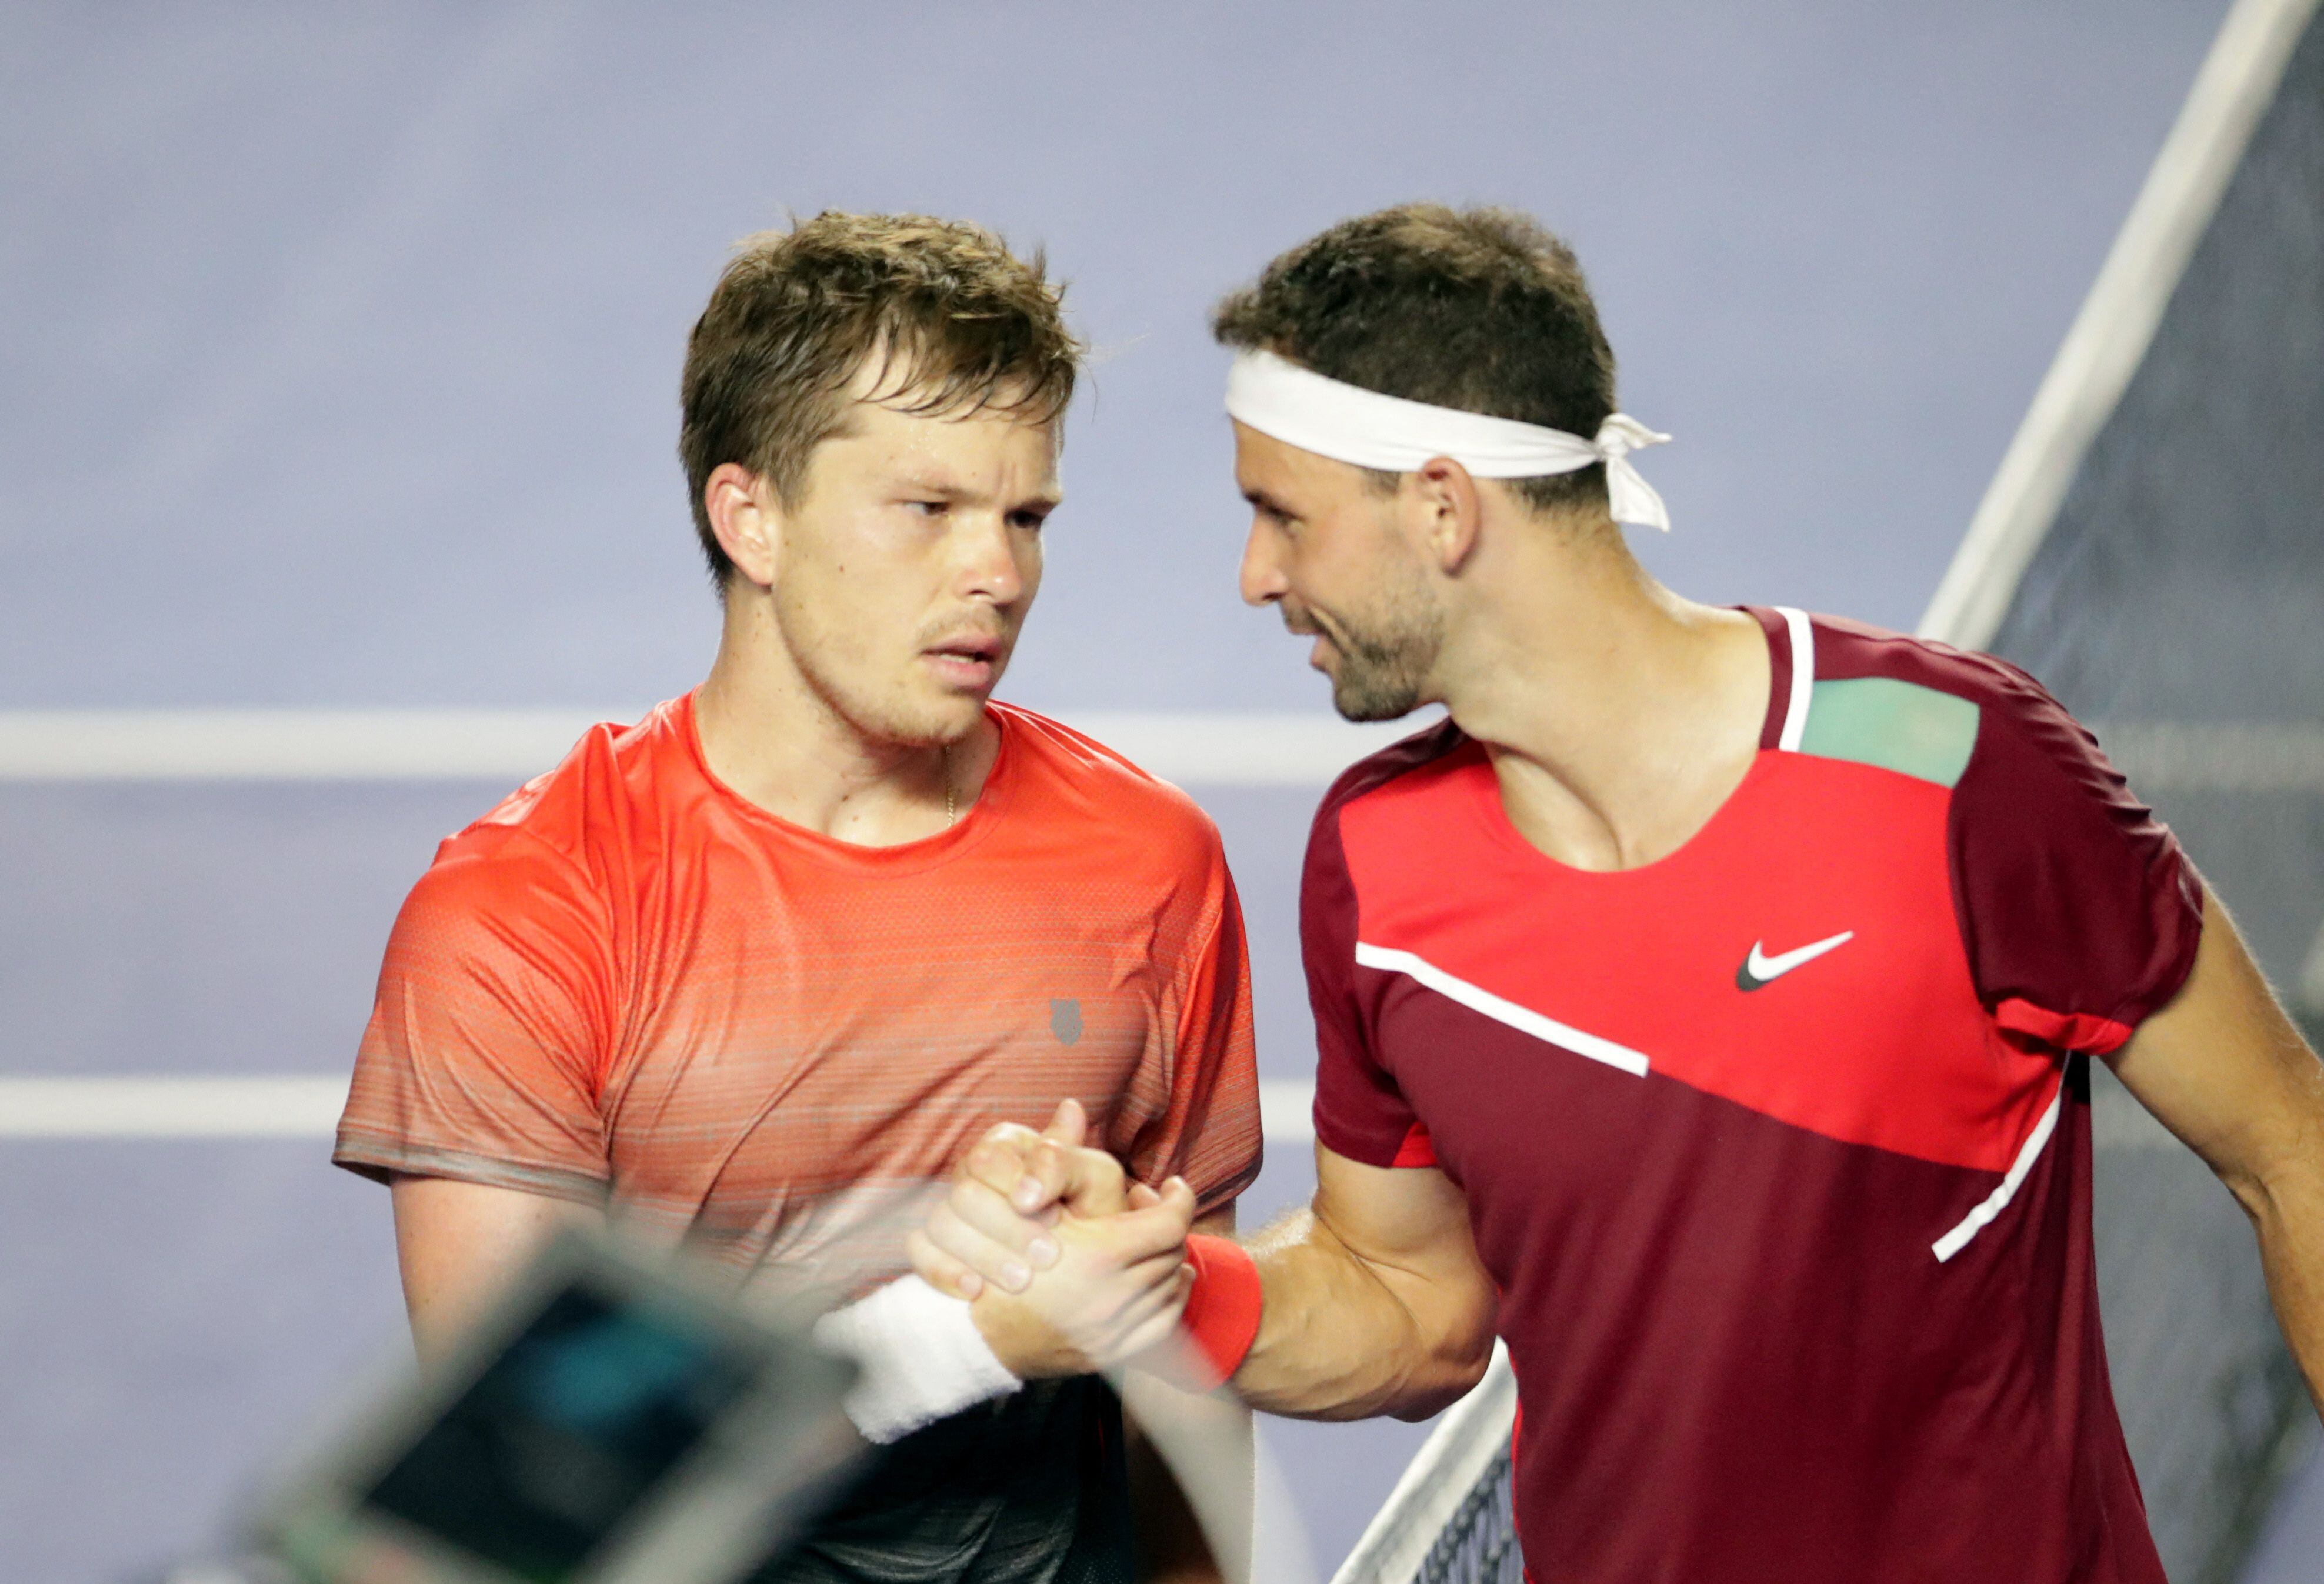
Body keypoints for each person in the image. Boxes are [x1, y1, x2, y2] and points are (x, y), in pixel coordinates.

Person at [908, 203, 2324, 1583]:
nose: (1252, 576)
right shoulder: (1376, 866)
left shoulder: (1951, 766)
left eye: (1281, 517)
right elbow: (1408, 1307)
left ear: (1442, 508)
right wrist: (1152, 1287)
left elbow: (2289, 1146)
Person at [332, 211, 1261, 1584]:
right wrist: (977, 1335)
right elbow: (525, 1490)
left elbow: (1183, 1380)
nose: (996, 574)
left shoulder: (1149, 860)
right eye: (928, 509)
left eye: (1024, 516)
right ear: (749, 517)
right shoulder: (525, 916)